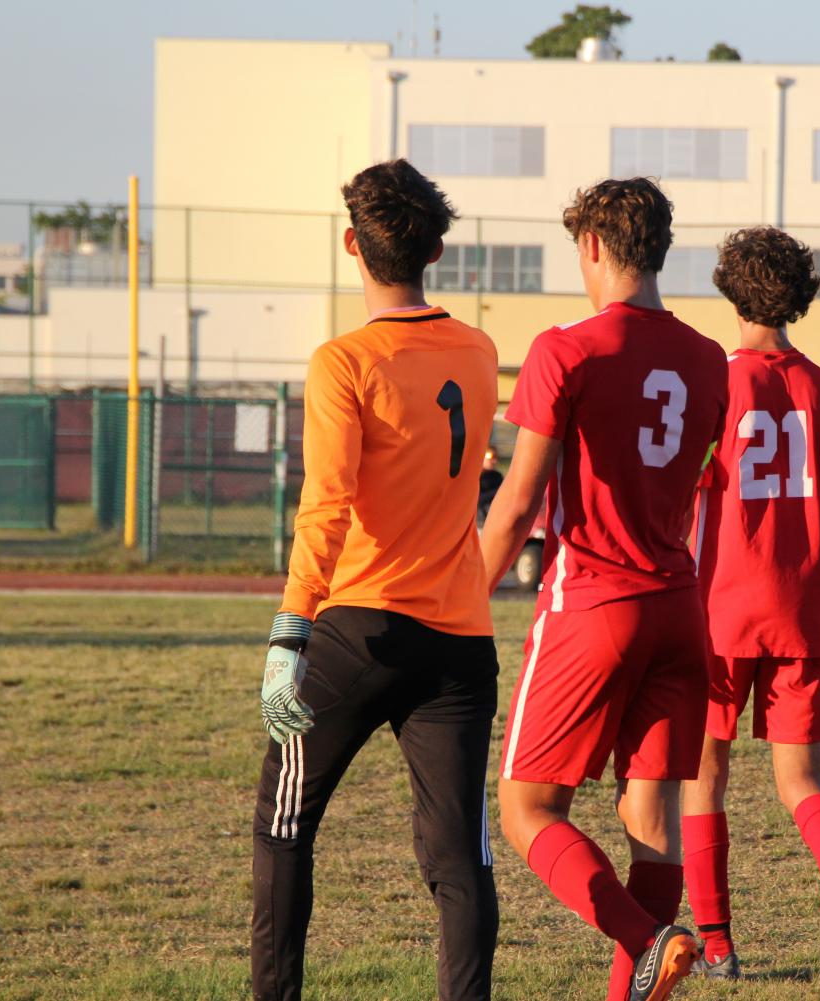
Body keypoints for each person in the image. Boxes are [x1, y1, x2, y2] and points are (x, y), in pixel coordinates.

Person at [251, 160, 501, 1001]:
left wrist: (291, 628)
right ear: (434, 251)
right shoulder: (478, 348)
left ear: (351, 245)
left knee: (283, 827)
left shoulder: (343, 360)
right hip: (462, 641)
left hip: (360, 628)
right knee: (456, 857)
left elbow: (326, 503)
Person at [479, 177, 729, 1001]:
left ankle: (649, 936)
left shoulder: (566, 347)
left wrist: (460, 596)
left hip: (592, 602)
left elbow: (517, 503)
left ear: (592, 246)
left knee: (526, 811)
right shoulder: (706, 358)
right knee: (650, 826)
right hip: (678, 607)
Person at [679, 228, 820, 998]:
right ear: (801, 296)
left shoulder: (710, 383)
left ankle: (720, 943)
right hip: (799, 612)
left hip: (716, 611)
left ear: (730, 292)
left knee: (704, 776)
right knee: (799, 779)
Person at [477, 446, 504, 524]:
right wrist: (498, 491)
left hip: (494, 519)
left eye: (496, 457)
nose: (494, 461)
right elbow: (477, 500)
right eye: (490, 457)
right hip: (479, 520)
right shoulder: (475, 477)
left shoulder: (497, 476)